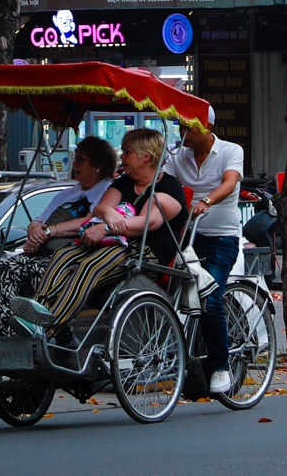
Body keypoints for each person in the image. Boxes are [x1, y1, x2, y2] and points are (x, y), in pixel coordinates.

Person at [32, 129, 187, 326]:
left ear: (146, 156)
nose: (122, 157)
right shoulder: (125, 182)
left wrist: (106, 228)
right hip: (114, 244)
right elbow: (100, 208)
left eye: (127, 152)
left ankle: (49, 326)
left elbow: (147, 223)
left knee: (89, 267)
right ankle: (36, 309)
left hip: (146, 251)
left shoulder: (169, 187)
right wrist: (107, 213)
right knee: (63, 255)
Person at [165, 124, 245, 397]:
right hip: (185, 236)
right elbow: (165, 184)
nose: (183, 133)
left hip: (221, 239)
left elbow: (230, 182)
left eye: (189, 128)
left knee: (210, 297)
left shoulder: (231, 151)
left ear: (206, 127)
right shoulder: (177, 156)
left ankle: (221, 366)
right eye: (181, 127)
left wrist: (206, 201)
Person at [0, 138, 116, 304]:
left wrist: (50, 231)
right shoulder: (68, 193)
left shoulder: (108, 191)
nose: (75, 164)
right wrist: (34, 231)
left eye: (81, 160)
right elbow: (39, 220)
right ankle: (9, 319)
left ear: (98, 165)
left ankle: (44, 319)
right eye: (75, 158)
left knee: (38, 273)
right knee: (5, 268)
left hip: (73, 254)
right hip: (45, 250)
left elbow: (90, 221)